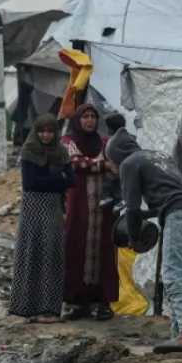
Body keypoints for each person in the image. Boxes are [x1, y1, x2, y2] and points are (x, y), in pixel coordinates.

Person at [108, 131, 182, 348]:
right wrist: (147, 215)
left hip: (177, 217)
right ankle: (178, 333)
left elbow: (131, 207)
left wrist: (134, 239)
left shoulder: (128, 164)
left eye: (111, 161)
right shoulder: (159, 156)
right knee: (181, 277)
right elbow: (170, 194)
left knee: (170, 277)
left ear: (116, 155)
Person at [9, 114, 74, 323]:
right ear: (36, 132)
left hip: (53, 209)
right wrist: (57, 179)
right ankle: (28, 308)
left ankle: (48, 310)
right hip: (33, 211)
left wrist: (53, 181)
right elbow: (31, 183)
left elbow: (71, 180)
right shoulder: (29, 151)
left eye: (49, 131)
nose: (46, 135)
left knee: (51, 256)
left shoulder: (61, 151)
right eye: (42, 131)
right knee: (32, 254)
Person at [61, 104, 119, 321]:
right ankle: (75, 302)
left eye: (93, 117)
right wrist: (104, 166)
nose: (89, 121)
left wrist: (108, 165)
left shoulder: (104, 142)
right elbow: (76, 163)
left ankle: (102, 301)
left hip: (103, 208)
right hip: (79, 206)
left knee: (104, 250)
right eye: (85, 116)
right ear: (78, 119)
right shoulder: (68, 141)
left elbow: (117, 161)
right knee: (75, 247)